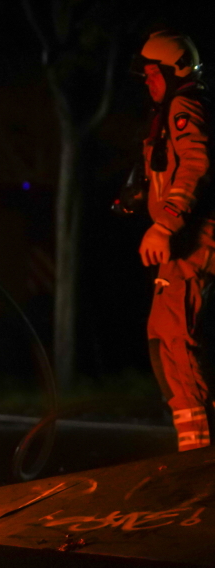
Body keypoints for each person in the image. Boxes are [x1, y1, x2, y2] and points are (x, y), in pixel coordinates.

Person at [133, 30, 213, 452]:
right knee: (163, 340)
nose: (147, 82)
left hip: (192, 242)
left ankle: (200, 455)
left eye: (151, 74)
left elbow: (196, 162)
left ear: (173, 70)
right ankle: (194, 443)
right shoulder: (175, 110)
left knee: (176, 339)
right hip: (185, 243)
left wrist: (165, 223)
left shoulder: (184, 105)